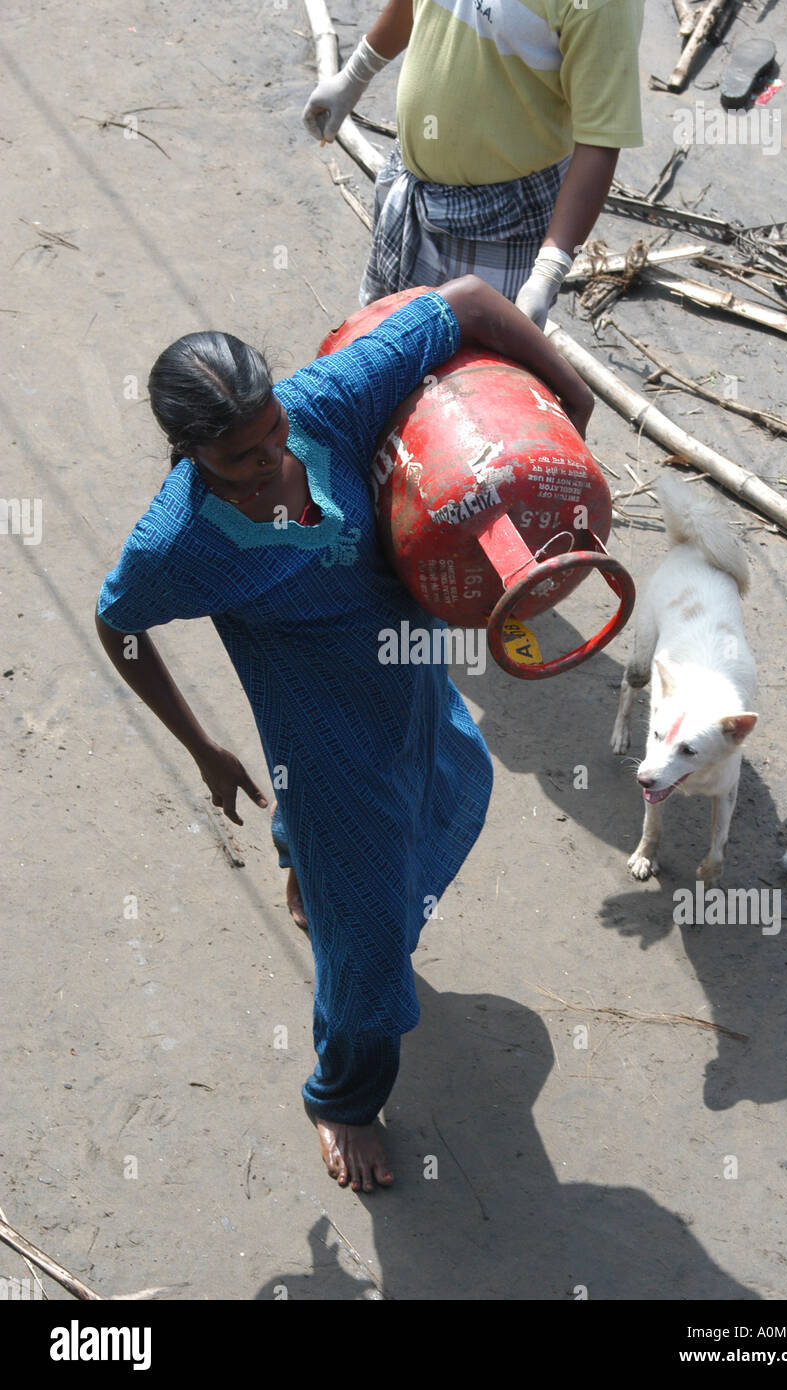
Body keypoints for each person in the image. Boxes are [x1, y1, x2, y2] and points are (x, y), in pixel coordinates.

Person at [95, 276, 593, 1193]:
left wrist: (572, 397)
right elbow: (116, 624)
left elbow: (473, 301)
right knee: (367, 961)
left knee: (454, 785)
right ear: (190, 452)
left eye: (275, 432)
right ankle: (343, 1097)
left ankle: (306, 864)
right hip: (324, 748)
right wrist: (202, 747)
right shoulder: (177, 546)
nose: (273, 459)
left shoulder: (322, 401)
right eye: (243, 457)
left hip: (411, 688)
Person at [302, 0, 644, 326]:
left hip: (499, 222)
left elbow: (599, 141)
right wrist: (355, 75)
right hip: (407, 183)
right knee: (379, 345)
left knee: (456, 378)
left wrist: (547, 272)